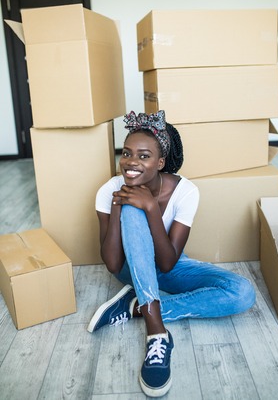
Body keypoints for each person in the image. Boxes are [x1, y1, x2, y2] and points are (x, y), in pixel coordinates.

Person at [88, 110, 256, 398]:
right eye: (127, 153)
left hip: (170, 265)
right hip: (131, 267)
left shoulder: (186, 192)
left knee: (242, 292)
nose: (131, 162)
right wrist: (120, 204)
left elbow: (167, 262)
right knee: (132, 208)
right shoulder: (109, 190)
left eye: (144, 156)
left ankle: (137, 307)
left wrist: (152, 208)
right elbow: (113, 263)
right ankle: (157, 334)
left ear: (160, 162)